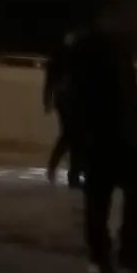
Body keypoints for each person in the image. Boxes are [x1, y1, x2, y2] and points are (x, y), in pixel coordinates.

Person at [64, 12, 137, 273]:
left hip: (111, 138)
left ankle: (114, 253)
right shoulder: (97, 52)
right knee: (110, 199)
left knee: (109, 200)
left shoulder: (107, 51)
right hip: (108, 137)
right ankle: (118, 253)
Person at [43, 30, 80, 185]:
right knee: (71, 135)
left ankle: (70, 171)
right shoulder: (67, 58)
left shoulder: (65, 57)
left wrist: (47, 99)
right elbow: (51, 81)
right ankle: (71, 172)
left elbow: (50, 81)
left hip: (70, 100)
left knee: (72, 136)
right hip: (68, 100)